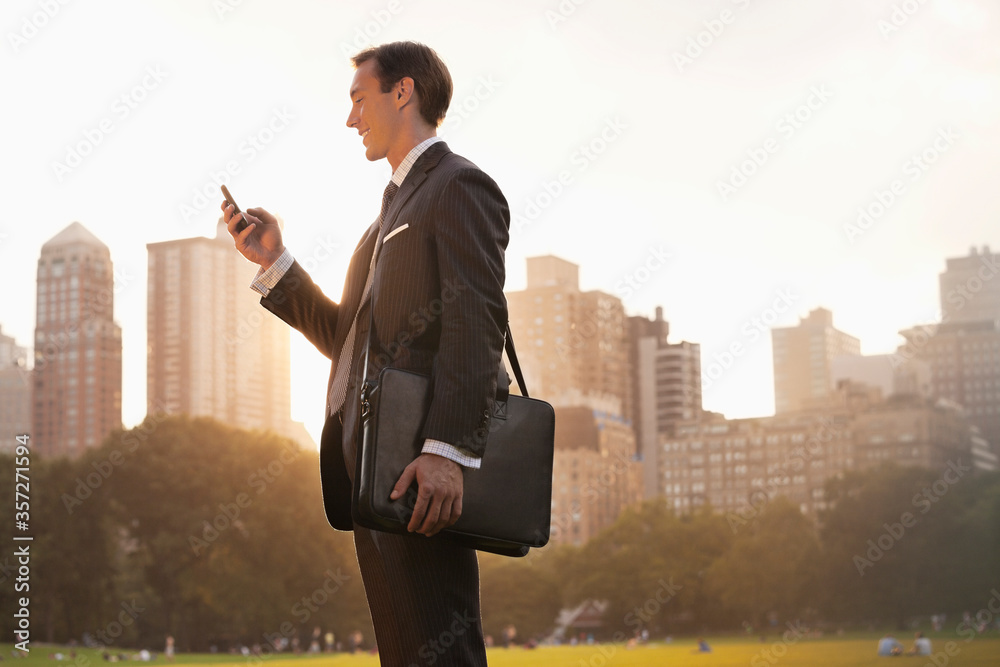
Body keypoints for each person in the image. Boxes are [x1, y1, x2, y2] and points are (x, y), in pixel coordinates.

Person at [224, 41, 509, 667]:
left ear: (402, 91)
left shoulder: (460, 186)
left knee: (443, 653)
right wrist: (275, 261)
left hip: (420, 470)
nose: (351, 118)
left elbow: (476, 323)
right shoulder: (382, 223)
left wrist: (446, 454)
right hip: (375, 477)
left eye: (360, 99)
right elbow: (351, 347)